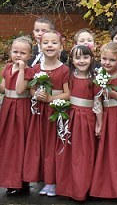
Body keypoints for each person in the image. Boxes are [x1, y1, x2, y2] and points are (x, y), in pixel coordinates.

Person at [21, 31, 70, 197]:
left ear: (61, 47)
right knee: (39, 145)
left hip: (55, 112)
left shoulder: (64, 70)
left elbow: (68, 94)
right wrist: (36, 94)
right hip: (39, 112)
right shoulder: (36, 68)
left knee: (52, 146)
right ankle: (42, 178)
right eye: (46, 42)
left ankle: (53, 181)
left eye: (54, 43)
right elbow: (31, 89)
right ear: (40, 47)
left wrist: (50, 98)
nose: (50, 45)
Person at [89, 42, 117, 198]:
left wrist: (111, 91)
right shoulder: (99, 76)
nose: (107, 63)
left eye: (112, 60)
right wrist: (99, 123)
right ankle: (104, 185)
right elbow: (97, 101)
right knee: (106, 152)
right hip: (106, 115)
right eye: (104, 59)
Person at [56, 45, 101, 201]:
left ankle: (84, 188)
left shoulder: (95, 78)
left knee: (85, 154)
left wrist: (99, 123)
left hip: (87, 119)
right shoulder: (70, 77)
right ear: (72, 60)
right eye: (78, 57)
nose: (82, 61)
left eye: (85, 57)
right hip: (72, 117)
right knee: (71, 153)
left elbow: (97, 103)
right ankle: (69, 187)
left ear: (92, 59)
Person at [0, 36, 33, 196]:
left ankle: (21, 182)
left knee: (19, 144)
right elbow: (5, 88)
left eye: (22, 53)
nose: (18, 55)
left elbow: (20, 90)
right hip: (7, 108)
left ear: (29, 55)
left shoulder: (28, 71)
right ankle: (9, 180)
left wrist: (21, 69)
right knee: (7, 145)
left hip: (21, 109)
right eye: (15, 52)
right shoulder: (6, 68)